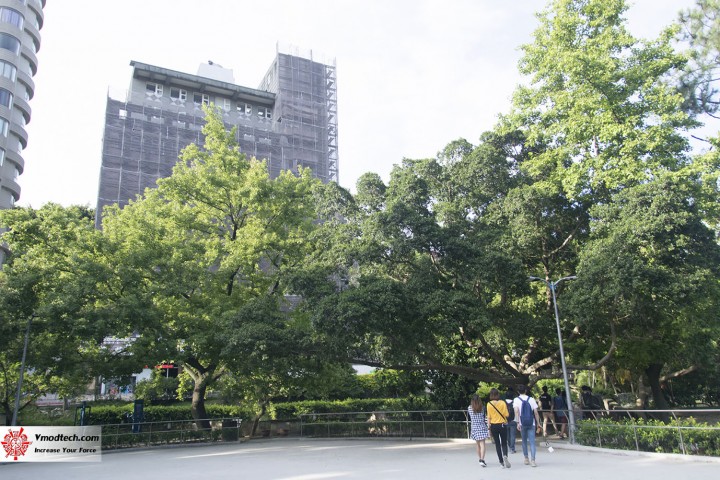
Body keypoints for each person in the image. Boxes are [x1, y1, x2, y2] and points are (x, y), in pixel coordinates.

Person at [513, 385, 541, 467]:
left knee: (524, 441)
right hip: (531, 423)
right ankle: (533, 460)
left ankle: (526, 458)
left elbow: (516, 411)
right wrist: (538, 423)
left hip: (522, 423)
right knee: (532, 442)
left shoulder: (516, 400)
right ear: (525, 390)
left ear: (518, 391)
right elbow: (536, 412)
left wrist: (517, 422)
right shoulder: (531, 399)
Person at [486, 388, 512, 468]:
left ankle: (501, 462)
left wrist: (489, 427)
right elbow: (506, 414)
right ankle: (505, 455)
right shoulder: (502, 403)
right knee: (504, 443)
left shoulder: (489, 404)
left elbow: (489, 417)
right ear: (498, 394)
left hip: (494, 425)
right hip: (502, 424)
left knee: (497, 444)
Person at [468, 394, 490, 467]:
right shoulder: (482, 408)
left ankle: (480, 459)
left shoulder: (469, 408)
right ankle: (482, 459)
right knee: (482, 444)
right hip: (482, 427)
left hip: (474, 427)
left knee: (477, 444)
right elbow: (484, 417)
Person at [504, 387, 517, 454]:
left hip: (505, 420)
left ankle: (509, 446)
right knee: (513, 435)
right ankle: (512, 448)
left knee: (507, 435)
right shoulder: (514, 402)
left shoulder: (503, 403)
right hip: (513, 420)